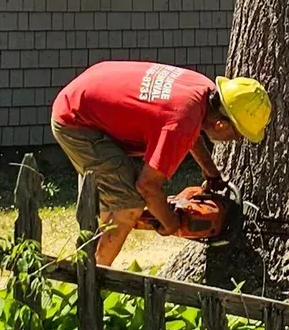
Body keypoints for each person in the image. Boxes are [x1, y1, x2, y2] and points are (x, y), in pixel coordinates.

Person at [51, 60, 271, 266]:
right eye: (238, 135)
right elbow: (147, 186)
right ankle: (92, 278)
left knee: (119, 198)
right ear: (222, 125)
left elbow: (189, 133)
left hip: (91, 92)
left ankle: (90, 257)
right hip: (76, 121)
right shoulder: (181, 121)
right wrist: (171, 223)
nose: (237, 141)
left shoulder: (203, 91)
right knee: (129, 205)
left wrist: (212, 174)